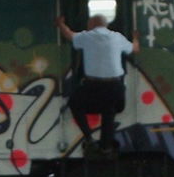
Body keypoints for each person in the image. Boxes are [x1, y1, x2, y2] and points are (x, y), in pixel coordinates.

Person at [56, 12, 140, 156]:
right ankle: (105, 147)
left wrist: (60, 24)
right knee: (109, 111)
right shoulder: (117, 37)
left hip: (94, 86)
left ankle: (89, 138)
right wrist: (136, 38)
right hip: (116, 88)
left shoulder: (87, 37)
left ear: (92, 24)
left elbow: (69, 35)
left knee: (74, 103)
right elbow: (135, 49)